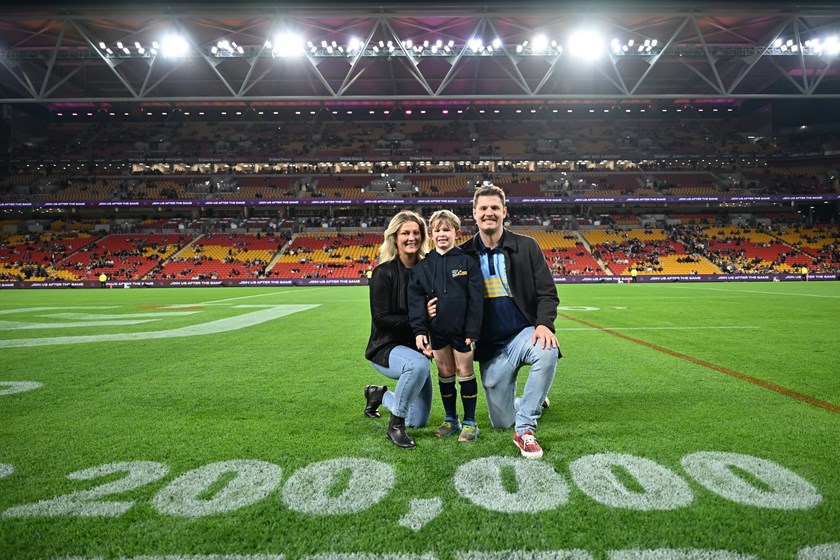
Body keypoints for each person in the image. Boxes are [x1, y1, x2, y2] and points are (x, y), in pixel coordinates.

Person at [431, 184, 560, 459]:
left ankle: (525, 430)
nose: (489, 213)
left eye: (494, 208)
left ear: (504, 212)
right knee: (501, 421)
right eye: (483, 208)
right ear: (474, 214)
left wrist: (544, 324)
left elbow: (547, 292)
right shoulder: (462, 255)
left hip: (523, 334)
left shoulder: (526, 246)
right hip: (490, 348)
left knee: (547, 350)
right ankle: (529, 402)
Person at [408, 210, 484, 443]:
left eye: (447, 230)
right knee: (445, 373)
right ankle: (451, 420)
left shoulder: (468, 262)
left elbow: (476, 300)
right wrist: (421, 330)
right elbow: (415, 302)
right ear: (431, 234)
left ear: (456, 233)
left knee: (465, 372)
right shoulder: (422, 267)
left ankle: (470, 422)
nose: (442, 234)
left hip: (463, 331)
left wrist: (472, 331)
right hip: (438, 331)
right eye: (438, 230)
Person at [363, 210, 434, 449]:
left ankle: (378, 395)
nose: (411, 237)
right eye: (405, 233)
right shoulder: (383, 273)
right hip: (385, 347)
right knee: (419, 365)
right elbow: (381, 319)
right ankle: (395, 426)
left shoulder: (428, 269)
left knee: (419, 421)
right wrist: (421, 316)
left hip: (417, 348)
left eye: (416, 232)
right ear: (395, 237)